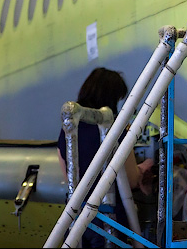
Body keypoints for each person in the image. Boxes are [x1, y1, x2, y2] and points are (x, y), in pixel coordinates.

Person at [57, 67, 155, 248]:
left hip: (74, 220)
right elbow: (131, 180)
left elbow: (69, 177)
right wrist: (144, 167)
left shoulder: (67, 131)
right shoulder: (115, 130)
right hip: (109, 220)